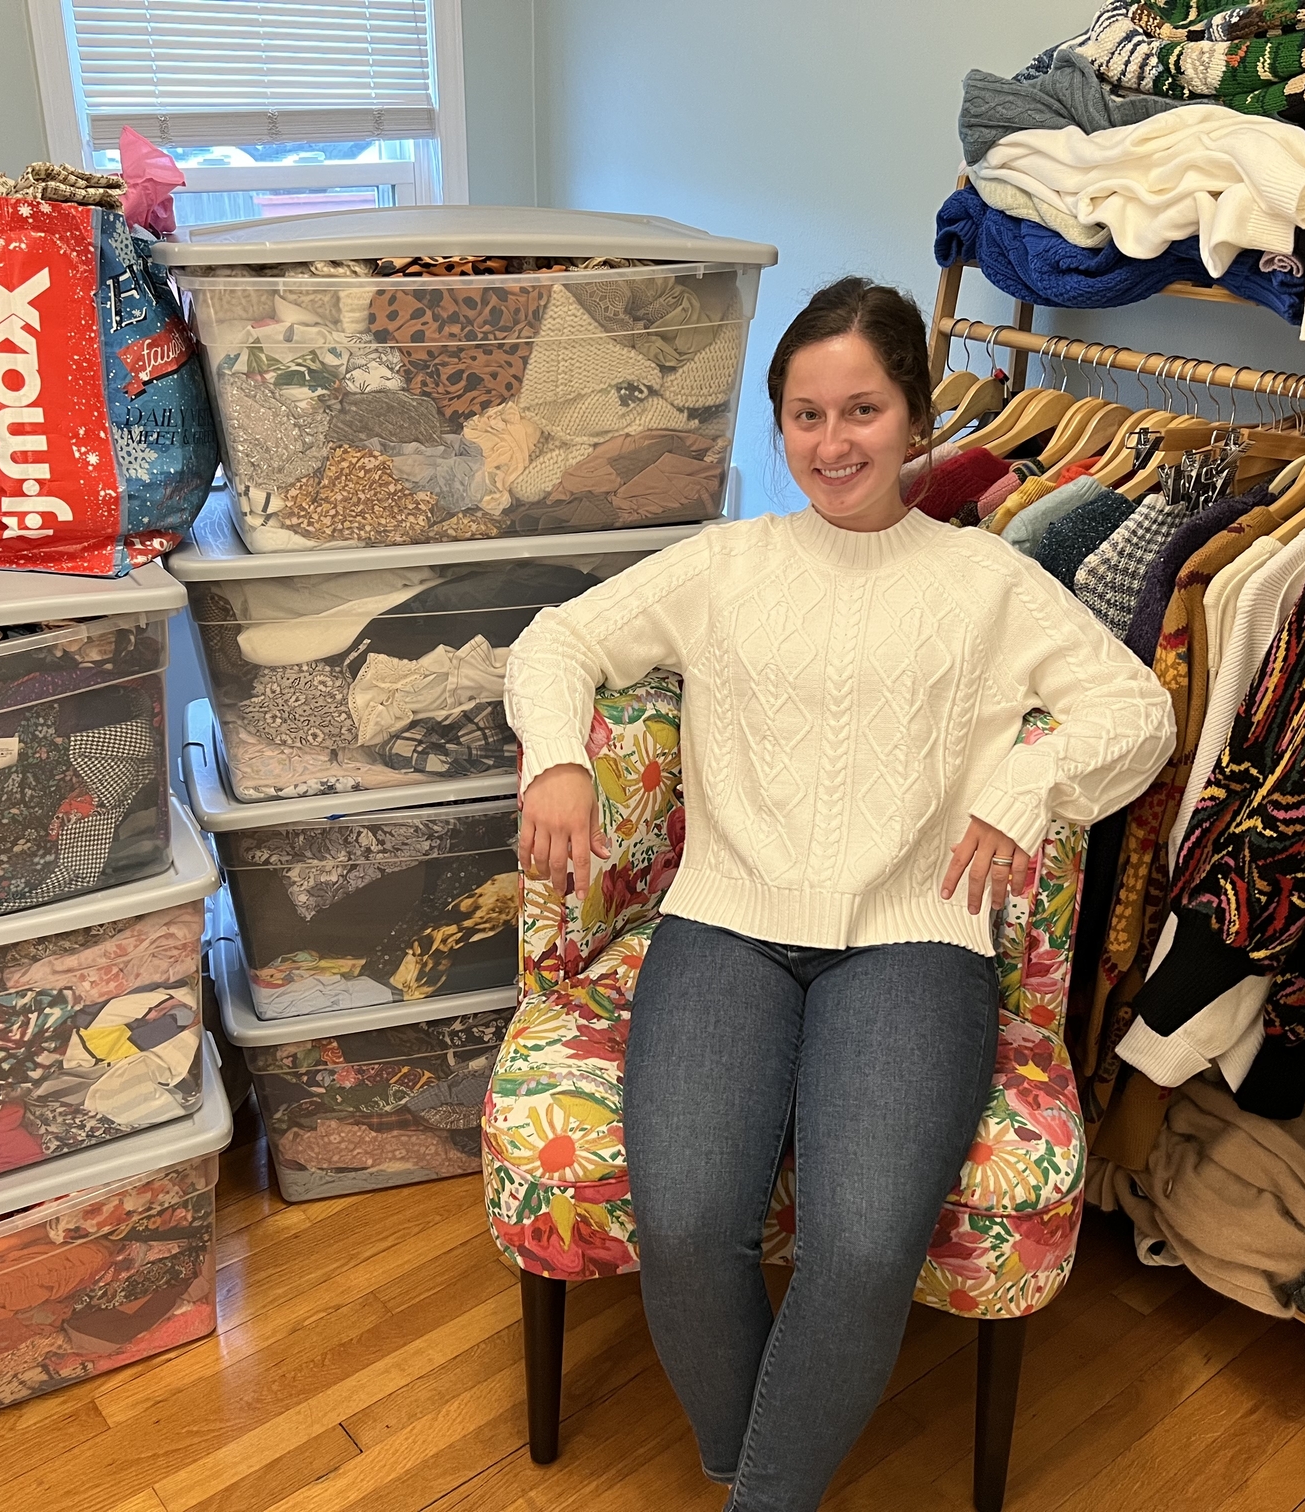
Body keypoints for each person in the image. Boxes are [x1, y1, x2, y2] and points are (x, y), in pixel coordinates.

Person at [502, 276, 1173, 1510]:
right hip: (725, 924)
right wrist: (558, 758)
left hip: (917, 944)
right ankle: (753, 1476)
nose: (833, 442)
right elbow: (559, 640)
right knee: (687, 1228)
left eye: (862, 410)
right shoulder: (724, 563)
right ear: (780, 425)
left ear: (916, 414)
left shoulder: (989, 580)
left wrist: (1029, 785)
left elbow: (1138, 711)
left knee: (861, 1251)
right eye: (805, 416)